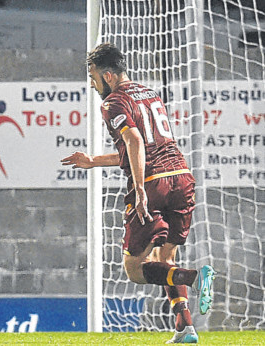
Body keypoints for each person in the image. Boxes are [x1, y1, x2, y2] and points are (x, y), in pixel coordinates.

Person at [61, 43, 215, 344]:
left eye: (93, 78)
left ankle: (194, 279)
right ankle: (185, 327)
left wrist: (141, 190)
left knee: (134, 268)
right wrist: (94, 161)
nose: (92, 85)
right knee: (165, 256)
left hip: (154, 183)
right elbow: (141, 148)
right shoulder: (149, 93)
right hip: (182, 178)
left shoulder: (113, 102)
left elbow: (134, 142)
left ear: (107, 75)